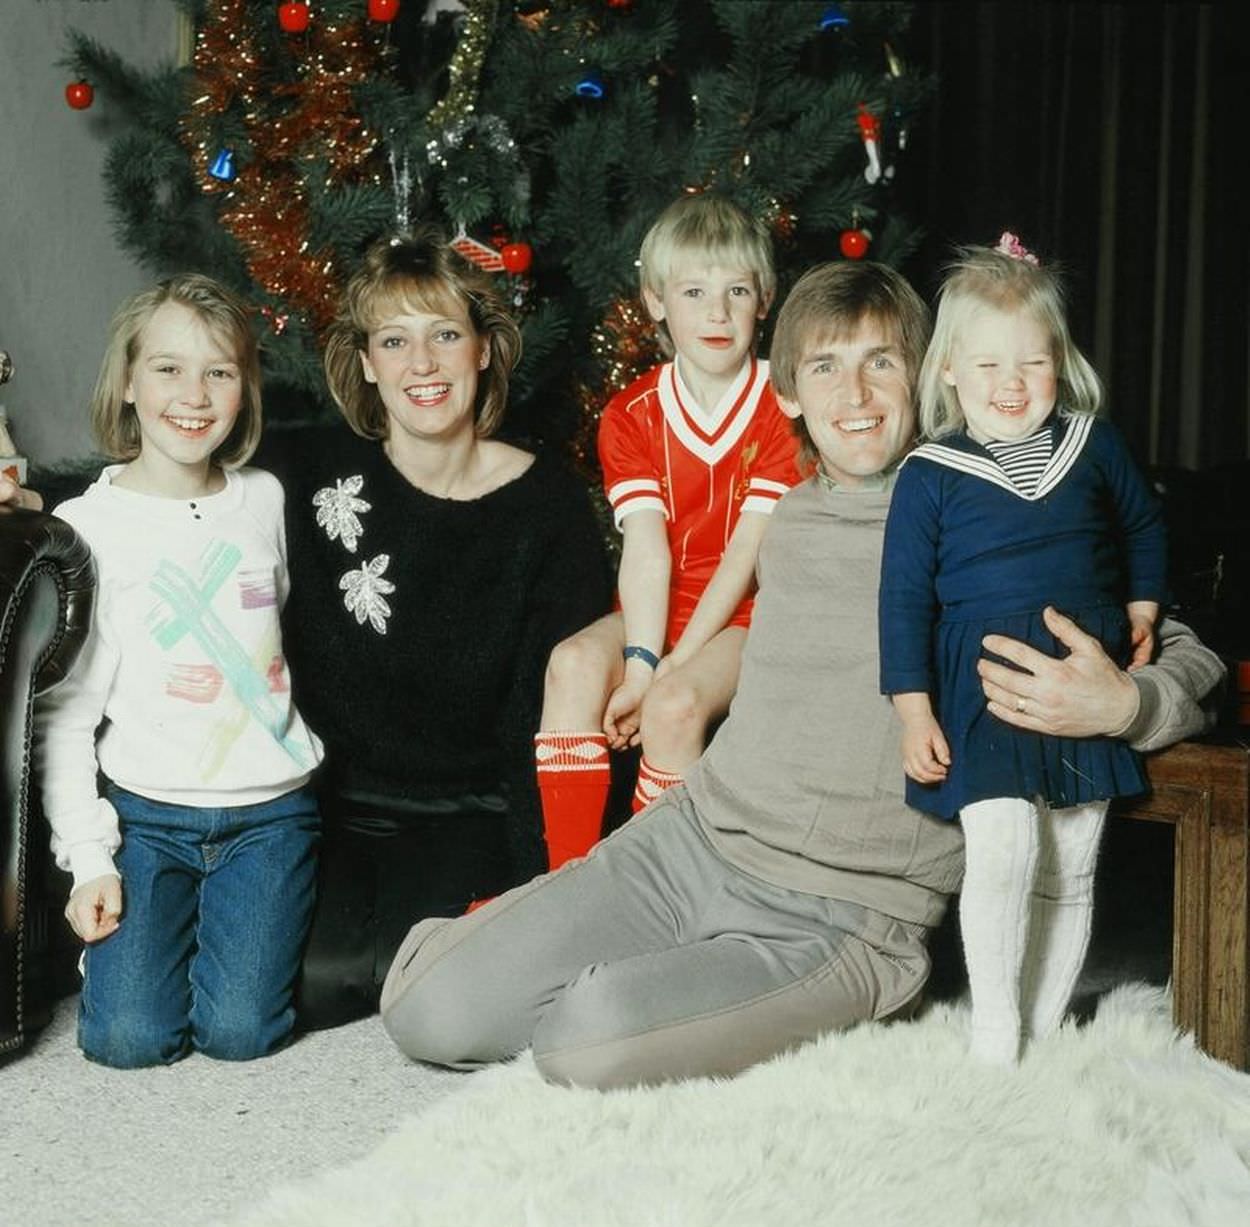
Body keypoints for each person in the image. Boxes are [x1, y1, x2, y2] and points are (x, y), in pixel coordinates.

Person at [376, 259, 1225, 1090]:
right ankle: (577, 953)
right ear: (787, 392)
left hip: (843, 914)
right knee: (425, 1009)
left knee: (581, 1041)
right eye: (826, 366)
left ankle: (690, 995)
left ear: (928, 377)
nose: (853, 398)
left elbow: (1196, 656)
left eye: (880, 363)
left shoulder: (995, 511)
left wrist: (1125, 703)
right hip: (692, 843)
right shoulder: (790, 515)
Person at [257, 229, 611, 1027]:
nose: (422, 364)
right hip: (332, 804)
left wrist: (541, 894)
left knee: (416, 980)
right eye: (395, 340)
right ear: (367, 361)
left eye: (445, 334)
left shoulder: (545, 506)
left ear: (483, 349)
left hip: (468, 810)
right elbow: (177, 472)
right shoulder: (301, 471)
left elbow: (543, 717)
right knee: (313, 982)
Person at [878, 235, 1167, 1065]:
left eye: (1032, 365)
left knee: (1072, 859)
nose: (1012, 386)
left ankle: (1042, 1025)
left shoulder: (1094, 446)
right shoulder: (930, 472)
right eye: (989, 366)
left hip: (1086, 684)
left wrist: (1142, 605)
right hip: (984, 689)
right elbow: (902, 599)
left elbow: (1144, 525)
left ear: (1061, 364)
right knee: (1005, 851)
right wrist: (911, 707)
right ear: (948, 372)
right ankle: (995, 1033)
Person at [35, 273, 324, 1068]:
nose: (192, 394)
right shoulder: (88, 526)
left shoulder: (261, 498)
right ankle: (138, 951)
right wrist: (91, 857)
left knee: (240, 1034)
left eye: (219, 371)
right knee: (126, 1038)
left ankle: (220, 934)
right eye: (167, 368)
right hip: (147, 818)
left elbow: (274, 632)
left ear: (244, 389)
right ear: (127, 381)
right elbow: (65, 713)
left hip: (270, 815)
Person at [535, 193, 802, 867]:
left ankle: (654, 893)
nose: (717, 312)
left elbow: (746, 554)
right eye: (693, 290)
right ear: (656, 301)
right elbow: (647, 552)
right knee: (570, 664)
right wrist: (641, 661)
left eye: (736, 290)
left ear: (764, 301)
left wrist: (669, 673)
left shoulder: (783, 405)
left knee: (676, 706)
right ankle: (567, 884)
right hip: (656, 610)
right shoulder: (631, 414)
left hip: (747, 615)